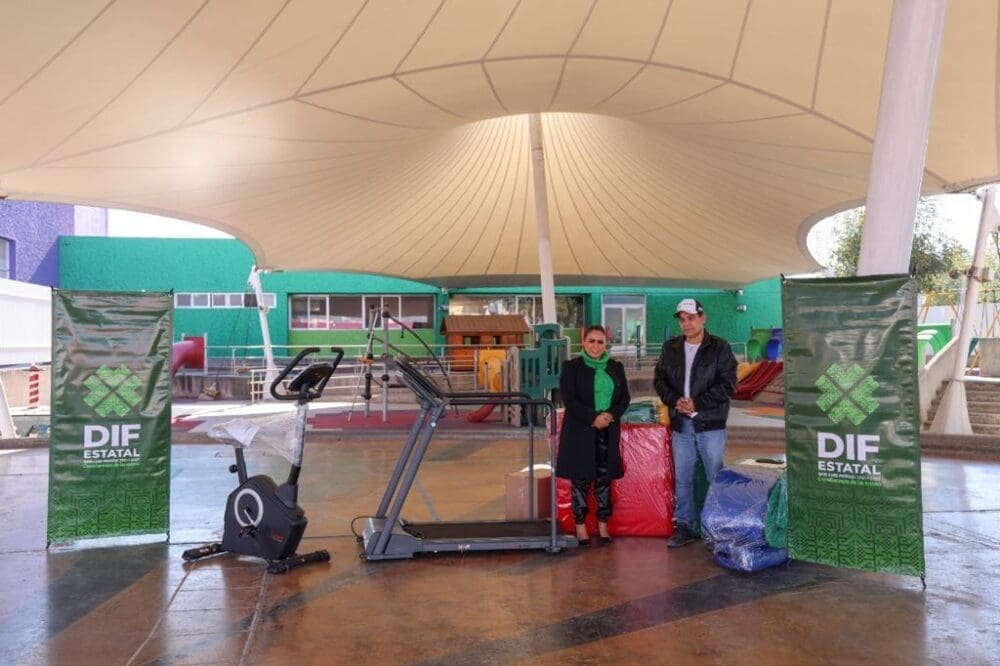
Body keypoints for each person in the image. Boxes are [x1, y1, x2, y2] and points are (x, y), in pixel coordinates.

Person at [654, 299, 738, 548]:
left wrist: (697, 403)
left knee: (715, 476)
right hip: (681, 424)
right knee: (683, 478)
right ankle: (685, 526)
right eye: (682, 319)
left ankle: (717, 528)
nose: (686, 323)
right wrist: (674, 400)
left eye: (691, 318)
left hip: (710, 423)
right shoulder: (670, 348)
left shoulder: (720, 347)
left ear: (703, 318)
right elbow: (659, 380)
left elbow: (728, 384)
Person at [555, 325, 631, 545]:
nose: (595, 346)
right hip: (581, 430)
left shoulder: (616, 367)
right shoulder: (572, 367)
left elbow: (624, 399)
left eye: (600, 342)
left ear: (605, 344)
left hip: (608, 428)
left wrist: (610, 415)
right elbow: (569, 400)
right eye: (591, 341)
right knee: (580, 479)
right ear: (583, 342)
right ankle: (580, 526)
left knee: (604, 478)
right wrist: (593, 418)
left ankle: (603, 524)